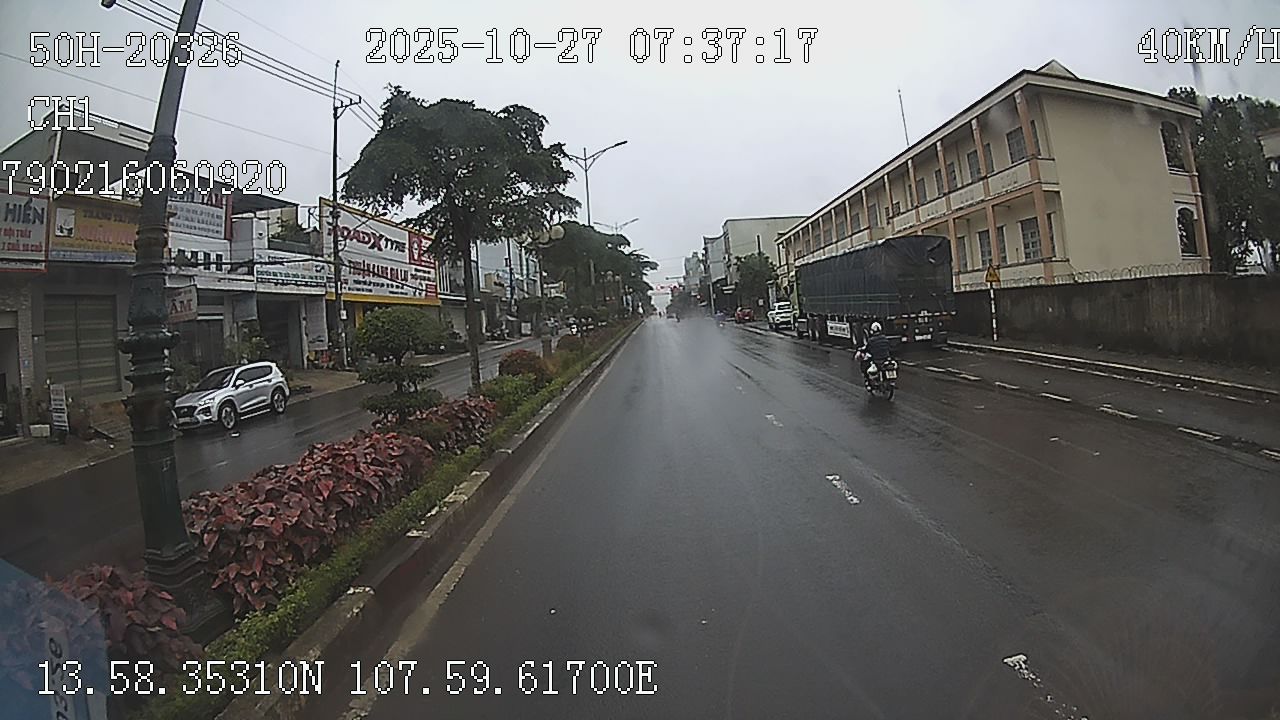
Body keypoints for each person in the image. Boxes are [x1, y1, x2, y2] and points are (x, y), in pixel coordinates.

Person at [857, 321, 892, 389]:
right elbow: (889, 348)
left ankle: (868, 381)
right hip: (886, 358)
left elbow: (867, 349)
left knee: (865, 363)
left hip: (876, 360)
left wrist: (861, 350)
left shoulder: (871, 340)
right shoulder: (885, 338)